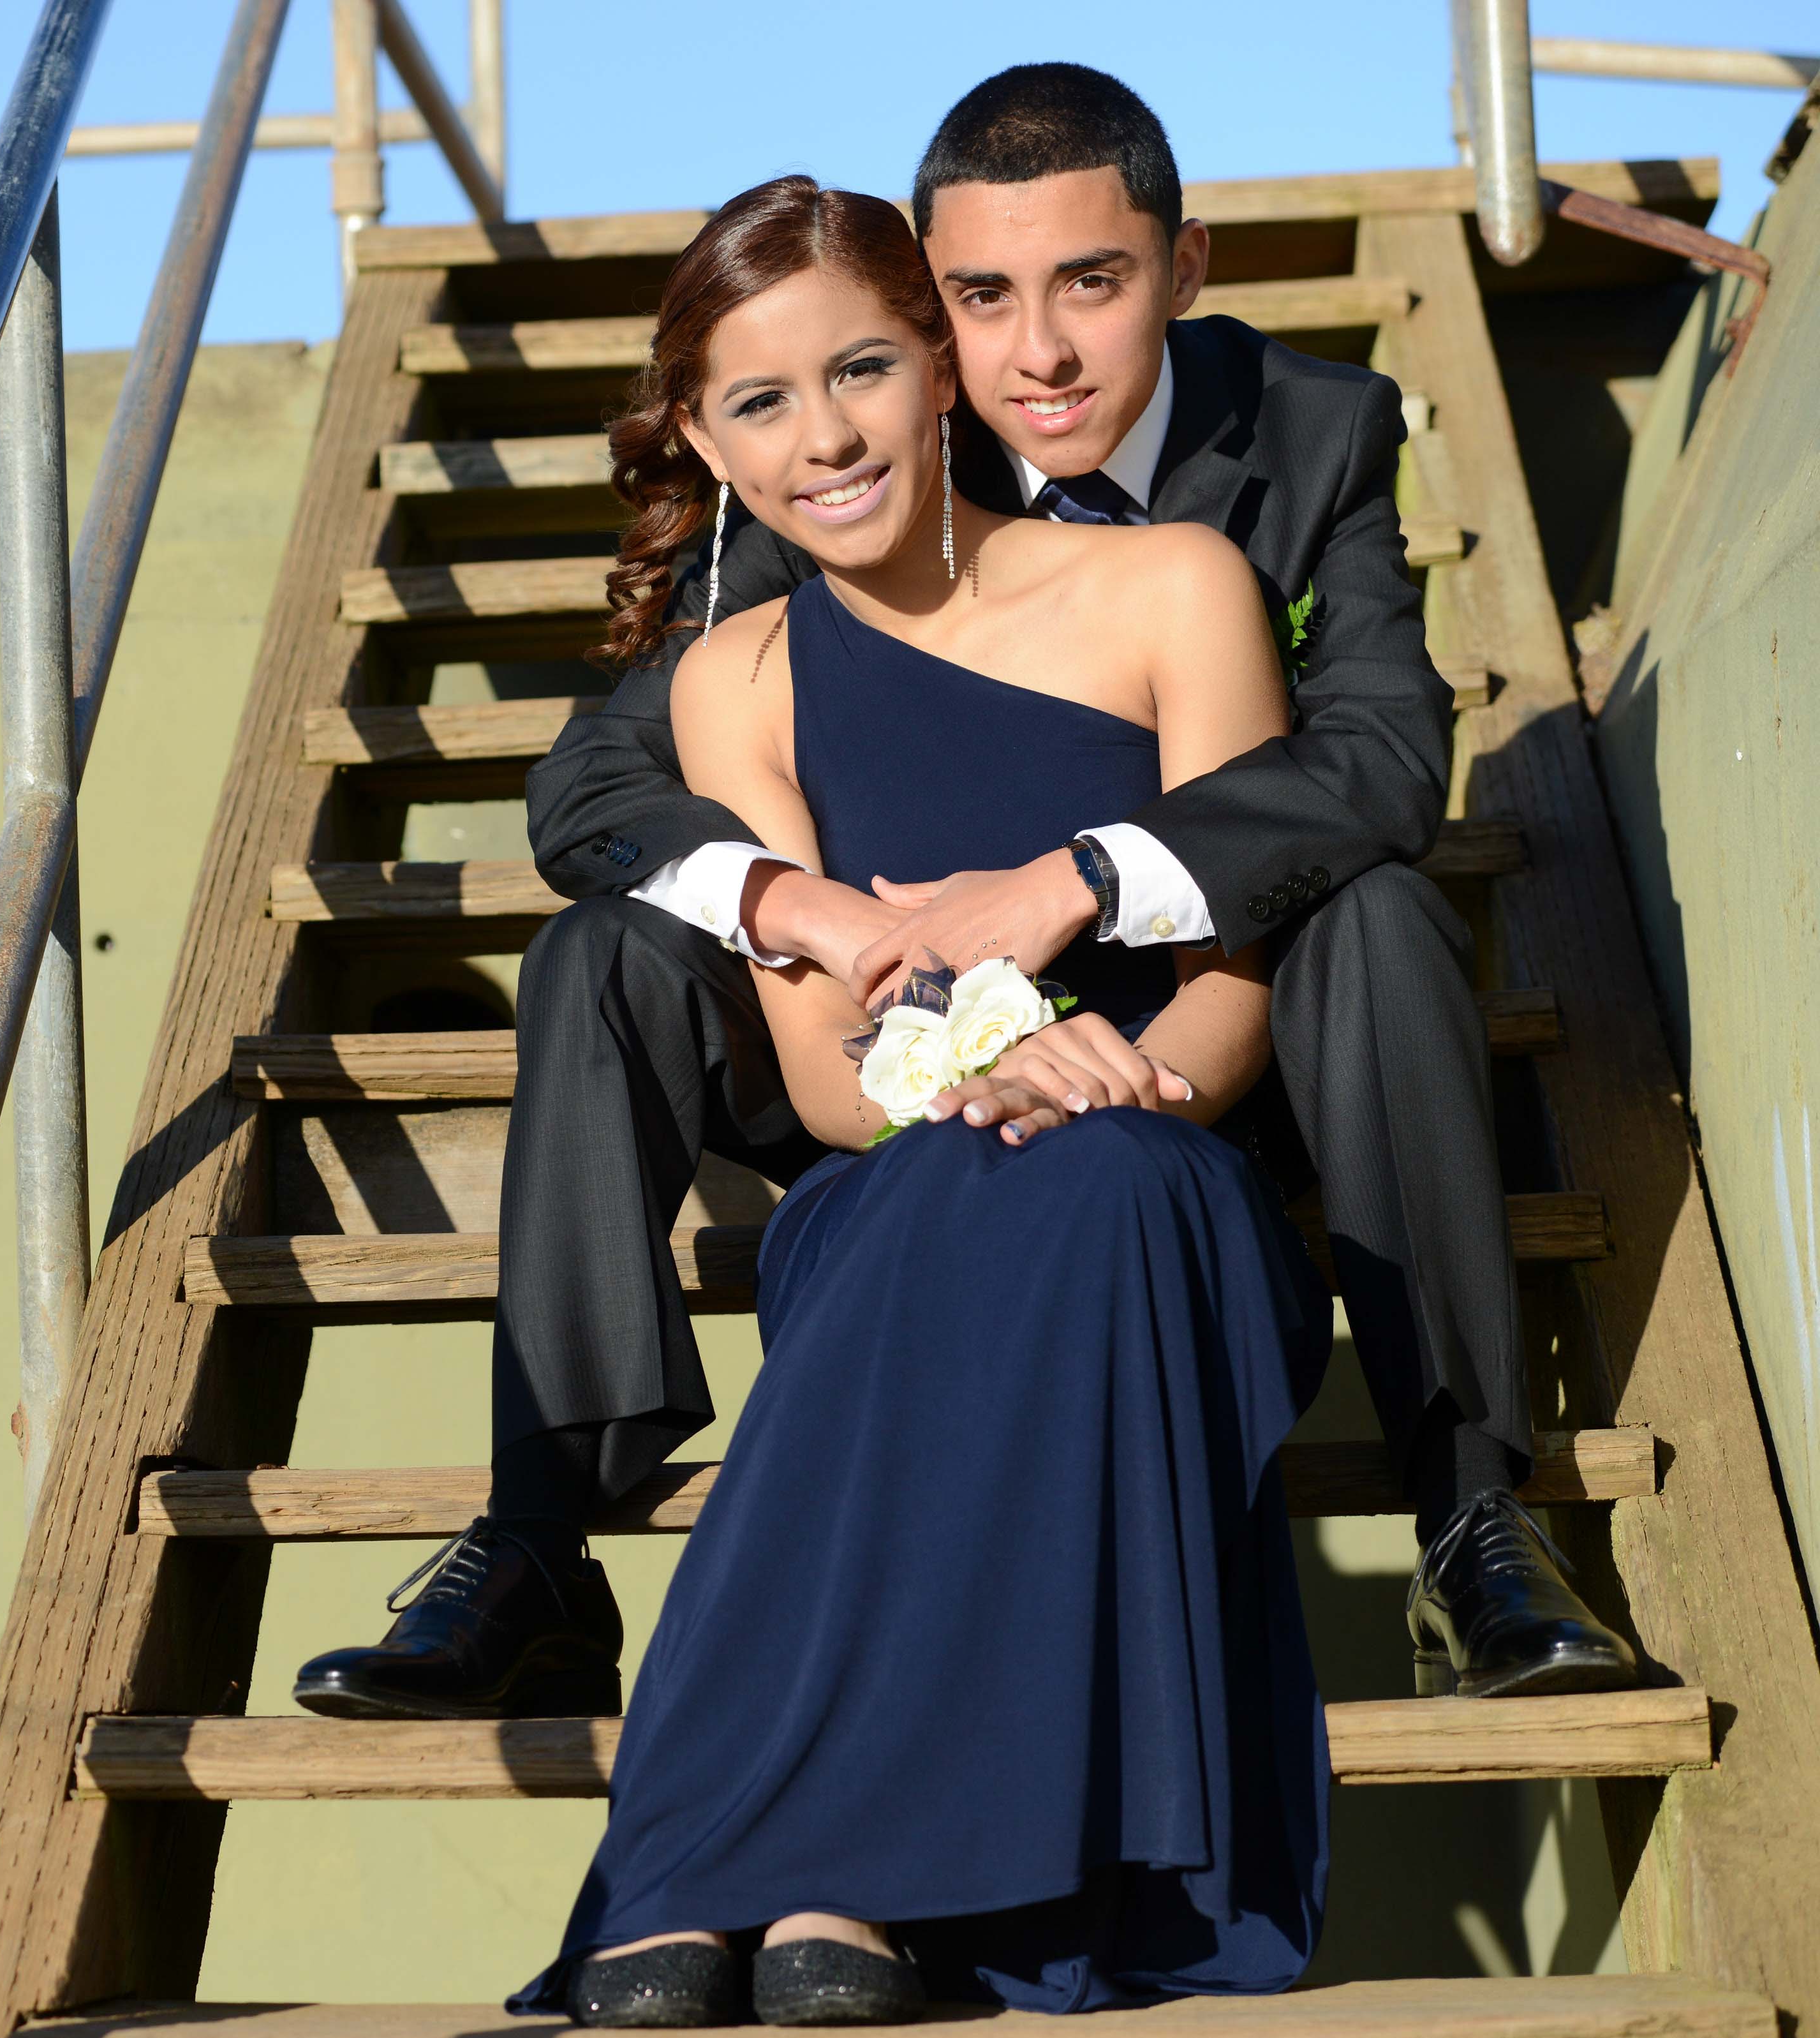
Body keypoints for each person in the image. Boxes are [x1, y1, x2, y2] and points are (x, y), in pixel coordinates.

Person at [293, 64, 1636, 1729]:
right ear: (931, 309)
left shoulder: (1309, 434)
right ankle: (541, 1530)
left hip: (1218, 1031)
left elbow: (1375, 758)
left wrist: (1078, 885)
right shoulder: (864, 438)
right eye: (984, 297)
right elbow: (592, 786)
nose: (1041, 354)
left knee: (1379, 908)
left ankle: (1475, 1511)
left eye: (1096, 281)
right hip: (880, 1041)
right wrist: (815, 915)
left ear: (1184, 267)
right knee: (605, 950)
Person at [512, 171, 1328, 2029]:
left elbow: (1248, 957)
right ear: (708, 444)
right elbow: (820, 1070)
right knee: (893, 1213)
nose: (827, 436)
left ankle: (833, 1861)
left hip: (1170, 1162)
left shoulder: (1172, 584)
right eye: (762, 404)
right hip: (906, 1165)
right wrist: (982, 1070)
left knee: (1103, 1188)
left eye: (864, 369)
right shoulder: (733, 681)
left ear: (945, 365)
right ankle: (724, 1853)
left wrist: (1120, 1076)